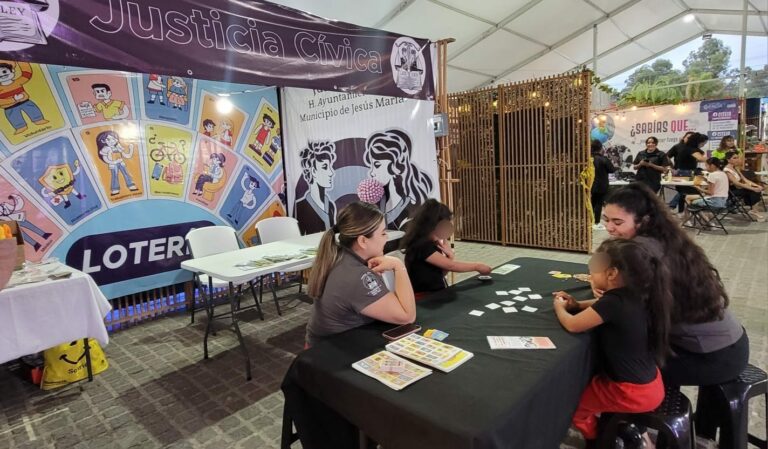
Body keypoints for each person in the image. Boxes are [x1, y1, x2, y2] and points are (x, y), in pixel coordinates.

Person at [601, 184, 749, 388]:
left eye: (617, 222)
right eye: (606, 220)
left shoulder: (640, 250)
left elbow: (629, 310)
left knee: (613, 363)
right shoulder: (668, 238)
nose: (609, 228)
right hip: (732, 343)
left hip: (711, 357)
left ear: (644, 220)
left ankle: (643, 407)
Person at [553, 238, 671, 449]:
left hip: (629, 392)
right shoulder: (637, 294)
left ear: (612, 273)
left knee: (574, 405)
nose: (590, 274)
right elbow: (600, 305)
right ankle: (613, 430)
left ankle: (597, 440)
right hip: (651, 384)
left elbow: (573, 325)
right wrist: (577, 304)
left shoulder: (614, 302)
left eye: (594, 269)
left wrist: (559, 307)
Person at [305, 201, 416, 347]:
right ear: (363, 241)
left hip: (324, 345)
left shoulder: (340, 256)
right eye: (383, 233)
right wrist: (399, 266)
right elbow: (407, 316)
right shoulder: (356, 275)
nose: (386, 238)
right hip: (333, 352)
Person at [400, 199, 491, 297]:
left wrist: (450, 257)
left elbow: (440, 275)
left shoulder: (432, 244)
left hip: (436, 293)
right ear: (430, 225)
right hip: (424, 298)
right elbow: (451, 266)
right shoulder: (421, 246)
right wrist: (477, 266)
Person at [364, 129, 433, 230]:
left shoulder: (411, 206)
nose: (371, 172)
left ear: (395, 164)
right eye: (371, 166)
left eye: (377, 165)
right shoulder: (381, 199)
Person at [294, 141, 337, 234]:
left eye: (330, 167)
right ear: (313, 171)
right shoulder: (300, 208)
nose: (331, 172)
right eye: (325, 167)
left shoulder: (330, 206)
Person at [681, 157, 729, 225]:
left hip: (714, 201)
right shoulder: (723, 174)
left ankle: (688, 221)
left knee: (691, 203)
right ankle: (706, 222)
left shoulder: (712, 175)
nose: (705, 168)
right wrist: (705, 179)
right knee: (688, 198)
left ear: (712, 165)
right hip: (723, 201)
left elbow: (710, 192)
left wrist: (699, 188)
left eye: (706, 165)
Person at [723, 150, 764, 215]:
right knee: (753, 191)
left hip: (740, 187)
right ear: (728, 160)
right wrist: (753, 188)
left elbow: (745, 179)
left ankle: (754, 210)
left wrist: (756, 185)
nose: (737, 159)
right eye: (734, 158)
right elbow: (736, 183)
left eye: (737, 157)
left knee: (757, 189)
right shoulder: (726, 170)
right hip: (732, 190)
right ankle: (754, 210)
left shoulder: (735, 168)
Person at [590, 139, 616, 230]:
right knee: (598, 203)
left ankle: (589, 221)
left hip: (590, 185)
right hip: (601, 185)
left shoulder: (588, 158)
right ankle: (596, 223)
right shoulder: (604, 159)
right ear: (601, 148)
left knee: (591, 203)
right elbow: (612, 170)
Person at [666, 131, 695, 210]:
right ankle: (676, 208)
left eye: (692, 138)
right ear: (684, 137)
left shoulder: (695, 148)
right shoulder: (677, 147)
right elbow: (666, 157)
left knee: (686, 192)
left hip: (691, 172)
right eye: (688, 137)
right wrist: (671, 167)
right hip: (679, 172)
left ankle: (676, 208)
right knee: (683, 191)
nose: (689, 139)